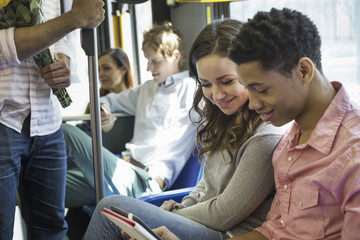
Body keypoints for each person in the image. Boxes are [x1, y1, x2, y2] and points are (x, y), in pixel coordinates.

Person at [152, 7, 360, 240]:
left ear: (303, 71)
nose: (252, 104)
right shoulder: (291, 140)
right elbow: (272, 232)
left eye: (261, 89)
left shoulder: (351, 154)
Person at [83, 19, 286, 240]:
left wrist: (177, 214)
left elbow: (224, 214)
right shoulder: (223, 120)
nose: (217, 95)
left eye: (227, 81)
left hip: (227, 233)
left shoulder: (266, 135)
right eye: (206, 84)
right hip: (202, 222)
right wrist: (181, 206)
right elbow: (206, 186)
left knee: (111, 208)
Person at [63, 21, 198, 209]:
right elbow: (108, 100)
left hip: (145, 181)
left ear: (175, 57)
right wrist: (104, 110)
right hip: (123, 167)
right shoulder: (146, 90)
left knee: (65, 132)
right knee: (40, 191)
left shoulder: (192, 89)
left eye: (155, 61)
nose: (149, 68)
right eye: (147, 61)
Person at [0, 0, 104, 239]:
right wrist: (74, 19)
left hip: (48, 119)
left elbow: (59, 37)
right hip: (4, 117)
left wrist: (62, 62)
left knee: (53, 229)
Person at [76, 48, 135, 135]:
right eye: (99, 69)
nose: (100, 74)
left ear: (123, 70)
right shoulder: (95, 104)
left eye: (106, 68)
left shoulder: (136, 100)